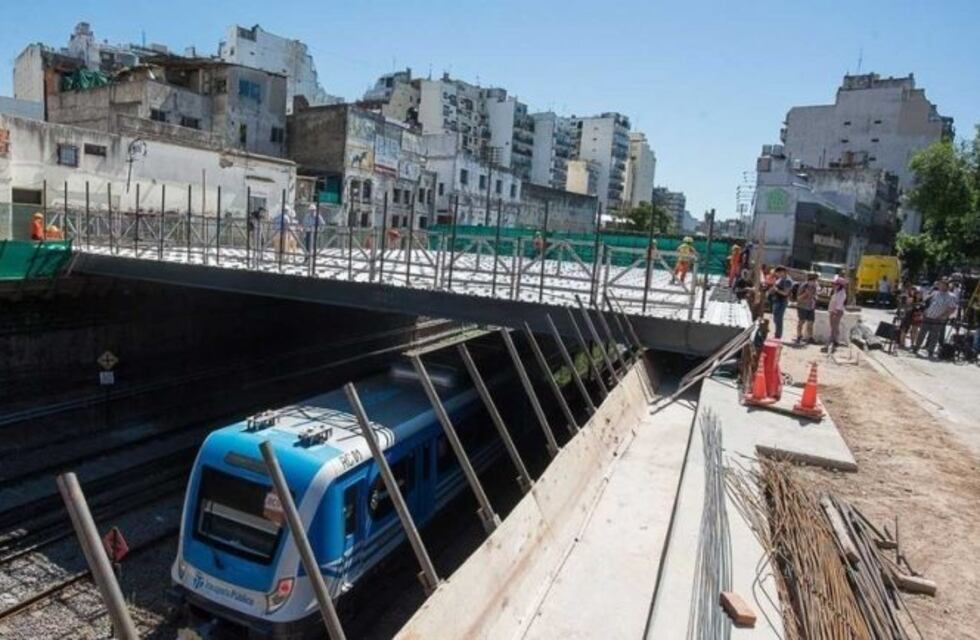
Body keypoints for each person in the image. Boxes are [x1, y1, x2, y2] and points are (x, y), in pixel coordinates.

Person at [914, 279, 959, 358]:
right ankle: (916, 348)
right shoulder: (935, 293)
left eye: (942, 285)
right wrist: (924, 310)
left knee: (934, 335)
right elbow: (926, 301)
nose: (940, 286)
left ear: (947, 286)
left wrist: (944, 316)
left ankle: (930, 351)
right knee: (922, 333)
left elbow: (952, 308)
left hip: (938, 319)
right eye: (940, 285)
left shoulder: (951, 296)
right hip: (928, 316)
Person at [768, 266, 793, 340]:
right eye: (777, 273)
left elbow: (785, 293)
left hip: (782, 301)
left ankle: (778, 336)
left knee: (779, 319)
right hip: (776, 300)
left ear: (783, 272)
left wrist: (776, 290)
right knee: (775, 318)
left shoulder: (788, 281)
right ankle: (777, 334)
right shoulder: (780, 279)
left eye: (779, 273)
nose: (778, 274)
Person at [795, 272, 818, 344]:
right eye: (814, 280)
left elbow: (815, 296)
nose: (815, 282)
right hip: (802, 306)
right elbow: (798, 298)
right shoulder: (803, 286)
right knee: (801, 321)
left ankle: (810, 337)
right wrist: (806, 294)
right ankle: (799, 336)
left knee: (810, 323)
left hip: (811, 307)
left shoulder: (814, 287)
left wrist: (813, 297)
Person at [826, 277, 848, 350]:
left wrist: (835, 313)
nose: (834, 285)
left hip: (837, 311)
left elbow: (839, 304)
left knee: (834, 327)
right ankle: (834, 340)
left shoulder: (842, 294)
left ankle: (833, 341)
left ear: (840, 285)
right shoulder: (836, 292)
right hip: (833, 311)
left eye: (836, 284)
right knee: (833, 326)